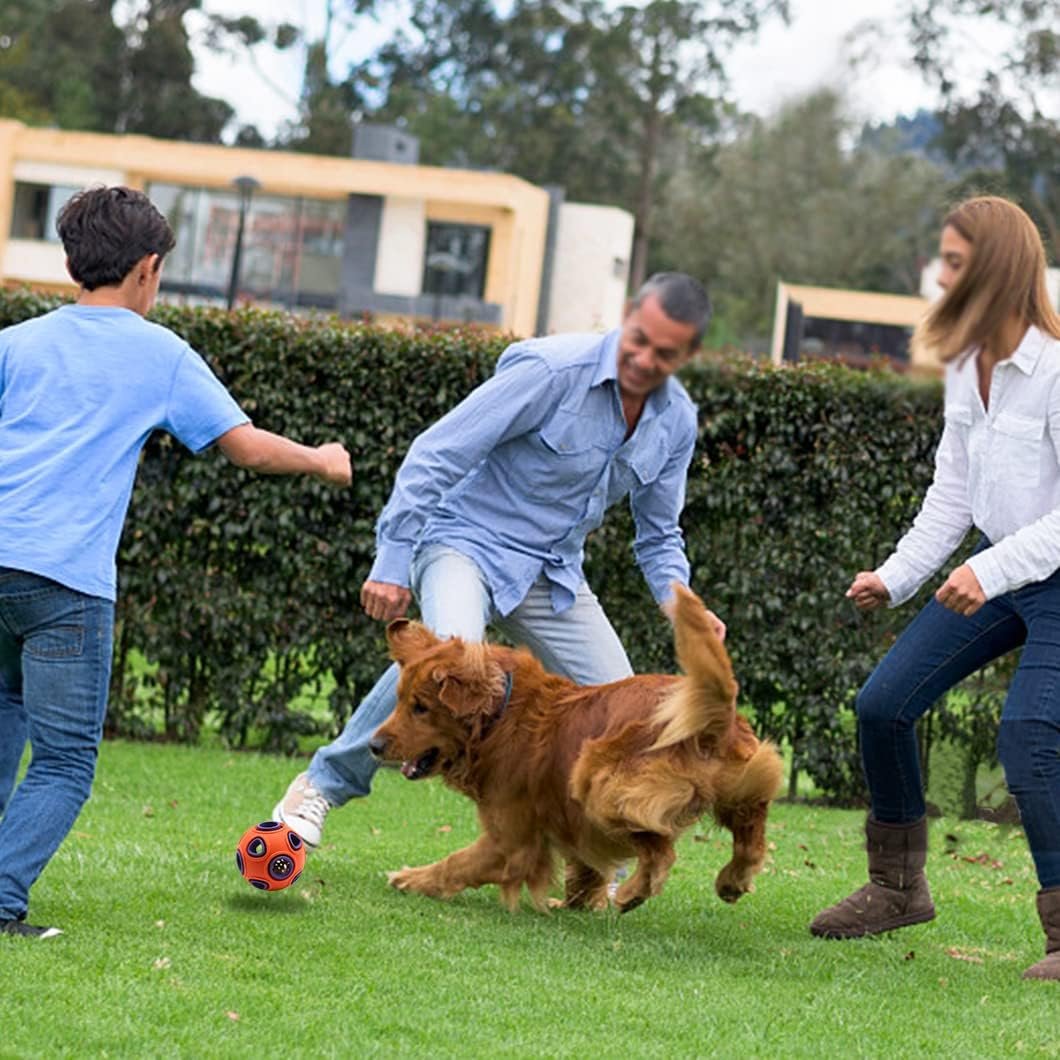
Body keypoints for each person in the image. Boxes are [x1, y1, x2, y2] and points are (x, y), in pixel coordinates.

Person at [0, 186, 352, 938]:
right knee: (64, 763)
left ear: (74, 263)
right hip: (64, 583)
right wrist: (322, 460)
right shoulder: (160, 354)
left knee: (4, 715)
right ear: (148, 269)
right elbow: (246, 447)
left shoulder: (18, 343)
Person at [273, 271, 720, 850]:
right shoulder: (551, 371)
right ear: (629, 312)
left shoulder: (676, 421)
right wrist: (393, 555)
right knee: (454, 657)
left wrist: (684, 606)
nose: (642, 358)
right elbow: (436, 453)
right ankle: (321, 786)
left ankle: (593, 852)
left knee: (621, 706)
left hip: (553, 574)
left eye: (663, 354)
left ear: (689, 354)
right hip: (465, 542)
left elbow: (659, 536)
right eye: (637, 338)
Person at [810, 195, 1060, 983]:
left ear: (995, 269)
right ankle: (897, 888)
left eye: (954, 261)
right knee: (882, 706)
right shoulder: (964, 365)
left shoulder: (1055, 369)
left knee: (1028, 743)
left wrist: (986, 571)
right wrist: (895, 575)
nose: (939, 273)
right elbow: (952, 496)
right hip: (1000, 569)